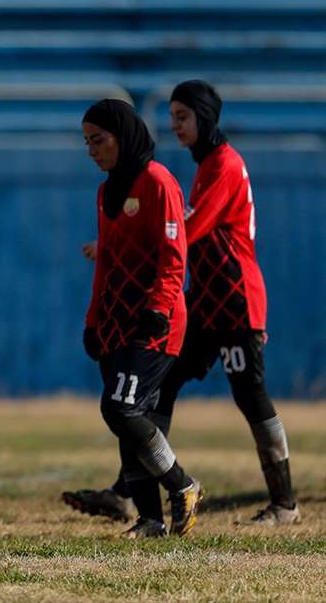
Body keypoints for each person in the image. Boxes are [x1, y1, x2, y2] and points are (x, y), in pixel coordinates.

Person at [64, 81, 299, 526]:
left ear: (205, 117)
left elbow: (186, 229)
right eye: (171, 116)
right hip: (204, 301)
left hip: (235, 301)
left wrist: (120, 243)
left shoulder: (222, 165)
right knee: (153, 390)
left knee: (249, 395)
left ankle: (284, 503)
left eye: (183, 116)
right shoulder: (197, 167)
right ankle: (134, 494)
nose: (175, 125)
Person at [78, 99, 203, 539]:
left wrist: (159, 307)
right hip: (116, 323)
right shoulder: (106, 192)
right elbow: (107, 263)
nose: (92, 150)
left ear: (123, 137)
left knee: (120, 407)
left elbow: (174, 256)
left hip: (155, 322)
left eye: (99, 140)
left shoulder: (158, 181)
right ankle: (151, 519)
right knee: (127, 419)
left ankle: (182, 485)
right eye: (87, 142)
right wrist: (94, 319)